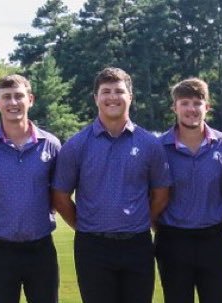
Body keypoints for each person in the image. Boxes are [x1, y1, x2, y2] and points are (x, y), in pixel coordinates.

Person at [51, 67, 171, 303]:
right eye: (106, 91)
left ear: (130, 96)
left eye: (119, 91)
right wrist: (84, 224)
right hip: (92, 246)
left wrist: (140, 220)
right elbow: (61, 196)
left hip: (137, 244)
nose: (112, 97)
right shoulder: (76, 145)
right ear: (96, 98)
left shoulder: (149, 144)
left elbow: (161, 193)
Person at [0, 74, 61, 303]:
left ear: (30, 99)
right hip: (0, 252)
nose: (13, 102)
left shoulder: (51, 144)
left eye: (19, 96)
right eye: (6, 97)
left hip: (41, 250)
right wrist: (5, 223)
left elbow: (58, 195)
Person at [155, 78, 222, 303]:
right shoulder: (159, 147)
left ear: (207, 107)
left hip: (213, 240)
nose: (191, 109)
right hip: (172, 241)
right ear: (175, 107)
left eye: (197, 103)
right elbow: (152, 197)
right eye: (184, 103)